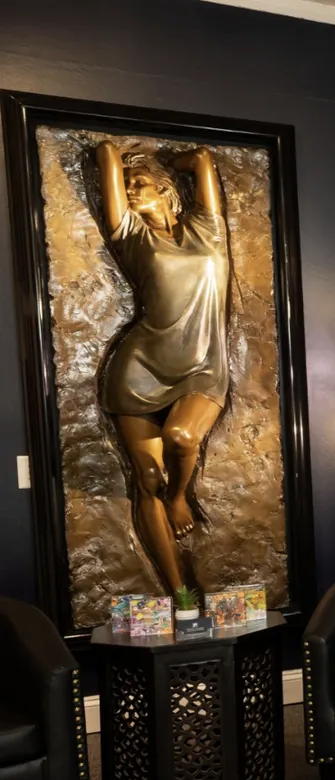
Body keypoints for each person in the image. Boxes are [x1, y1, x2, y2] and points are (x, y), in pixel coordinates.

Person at [95, 141, 229, 594]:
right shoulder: (131, 237)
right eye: (127, 186)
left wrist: (165, 162)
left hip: (203, 367)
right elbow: (107, 154)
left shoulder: (208, 229)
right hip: (139, 368)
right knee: (146, 478)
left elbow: (203, 159)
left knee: (182, 436)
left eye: (141, 185)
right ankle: (180, 594)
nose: (131, 190)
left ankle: (179, 497)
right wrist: (115, 155)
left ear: (169, 192)